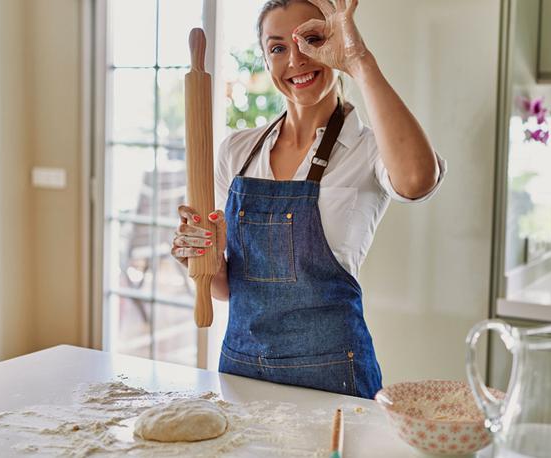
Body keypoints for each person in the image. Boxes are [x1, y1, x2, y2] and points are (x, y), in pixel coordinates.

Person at [171, 0, 446, 399]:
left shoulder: (368, 150)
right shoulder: (237, 151)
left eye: (312, 40)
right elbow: (224, 288)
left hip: (334, 380)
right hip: (242, 373)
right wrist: (197, 257)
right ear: (266, 61)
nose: (296, 59)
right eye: (278, 48)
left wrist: (359, 60)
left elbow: (418, 180)